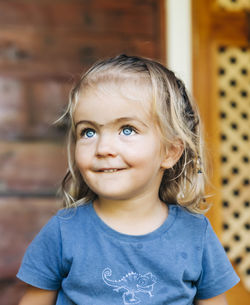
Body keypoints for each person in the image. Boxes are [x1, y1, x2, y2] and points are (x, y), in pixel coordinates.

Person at [17, 54, 239, 305]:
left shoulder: (196, 235)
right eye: (88, 131)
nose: (103, 148)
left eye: (127, 129)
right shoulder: (62, 232)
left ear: (170, 152)